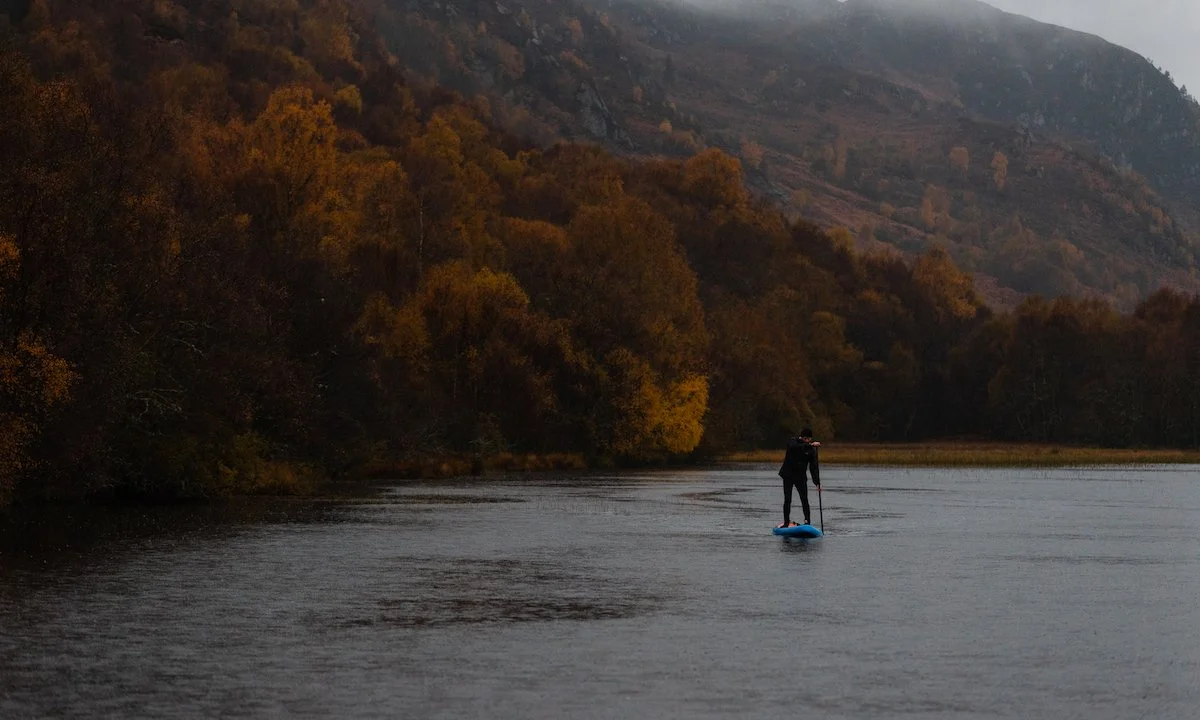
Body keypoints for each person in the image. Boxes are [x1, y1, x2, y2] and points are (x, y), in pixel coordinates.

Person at [777, 427, 820, 528]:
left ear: (810, 438)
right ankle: (786, 522)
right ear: (801, 437)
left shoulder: (810, 450)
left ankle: (807, 522)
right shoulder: (793, 442)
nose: (807, 440)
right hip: (788, 475)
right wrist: (809, 445)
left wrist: (817, 482)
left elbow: (813, 467)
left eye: (808, 439)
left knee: (804, 499)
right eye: (805, 439)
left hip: (800, 477)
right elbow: (795, 447)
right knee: (788, 499)